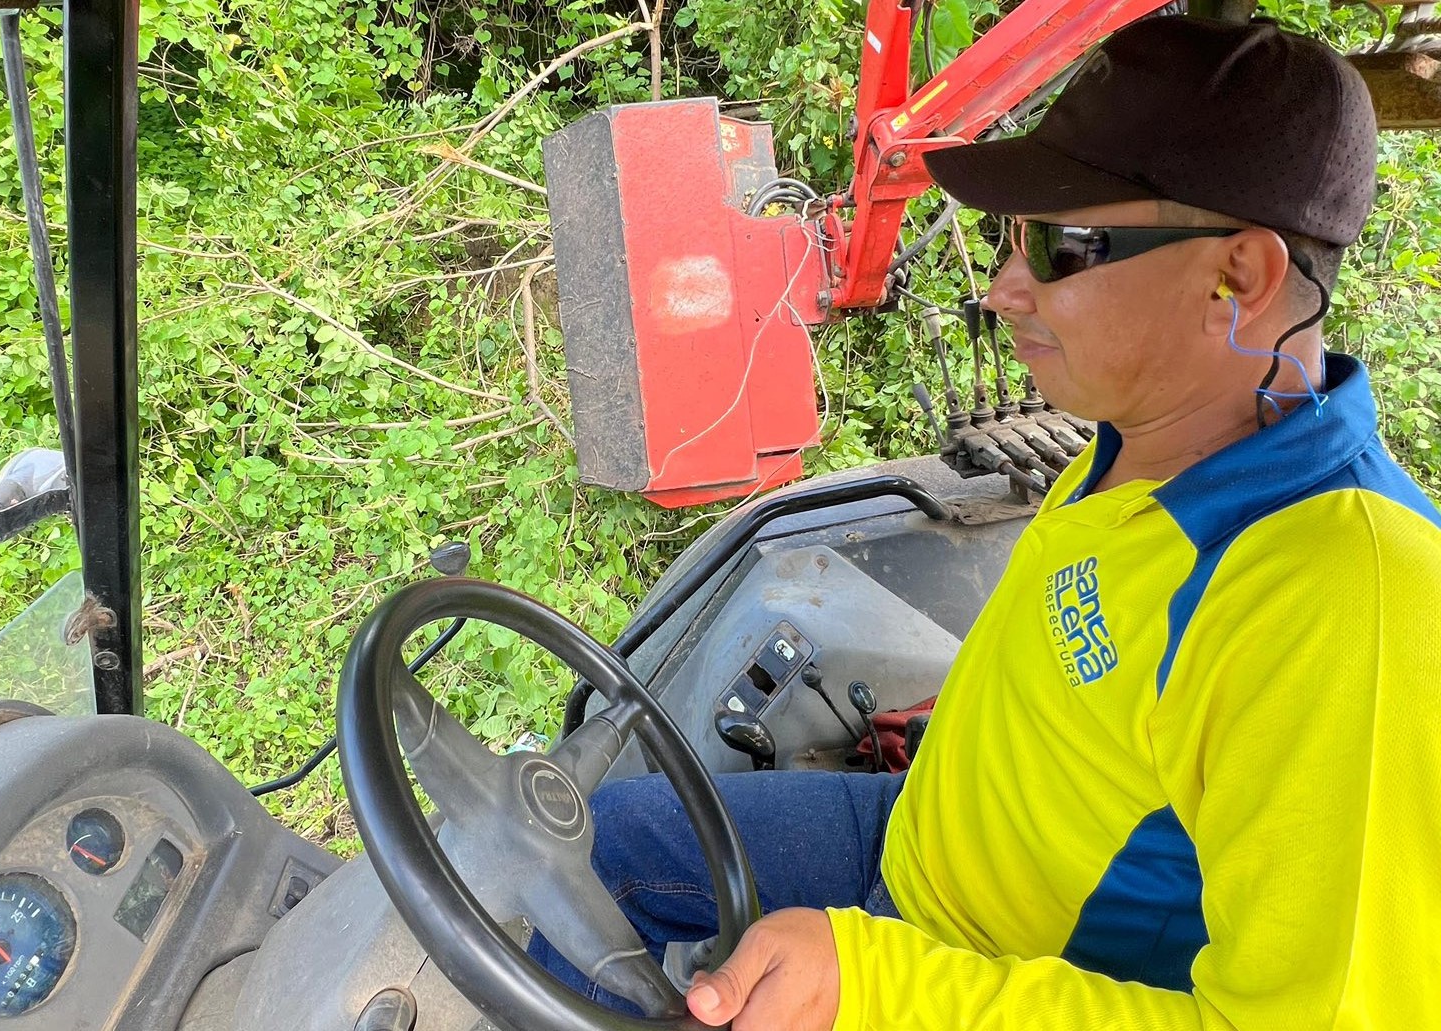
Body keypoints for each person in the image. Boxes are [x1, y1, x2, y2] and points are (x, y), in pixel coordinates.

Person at [529, 15, 1441, 1029]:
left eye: (1058, 245)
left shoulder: (1346, 593)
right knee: (587, 849)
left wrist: (883, 984)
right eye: (1010, 238)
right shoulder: (1139, 434)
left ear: (1239, 277)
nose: (1005, 288)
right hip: (918, 836)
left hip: (980, 962)